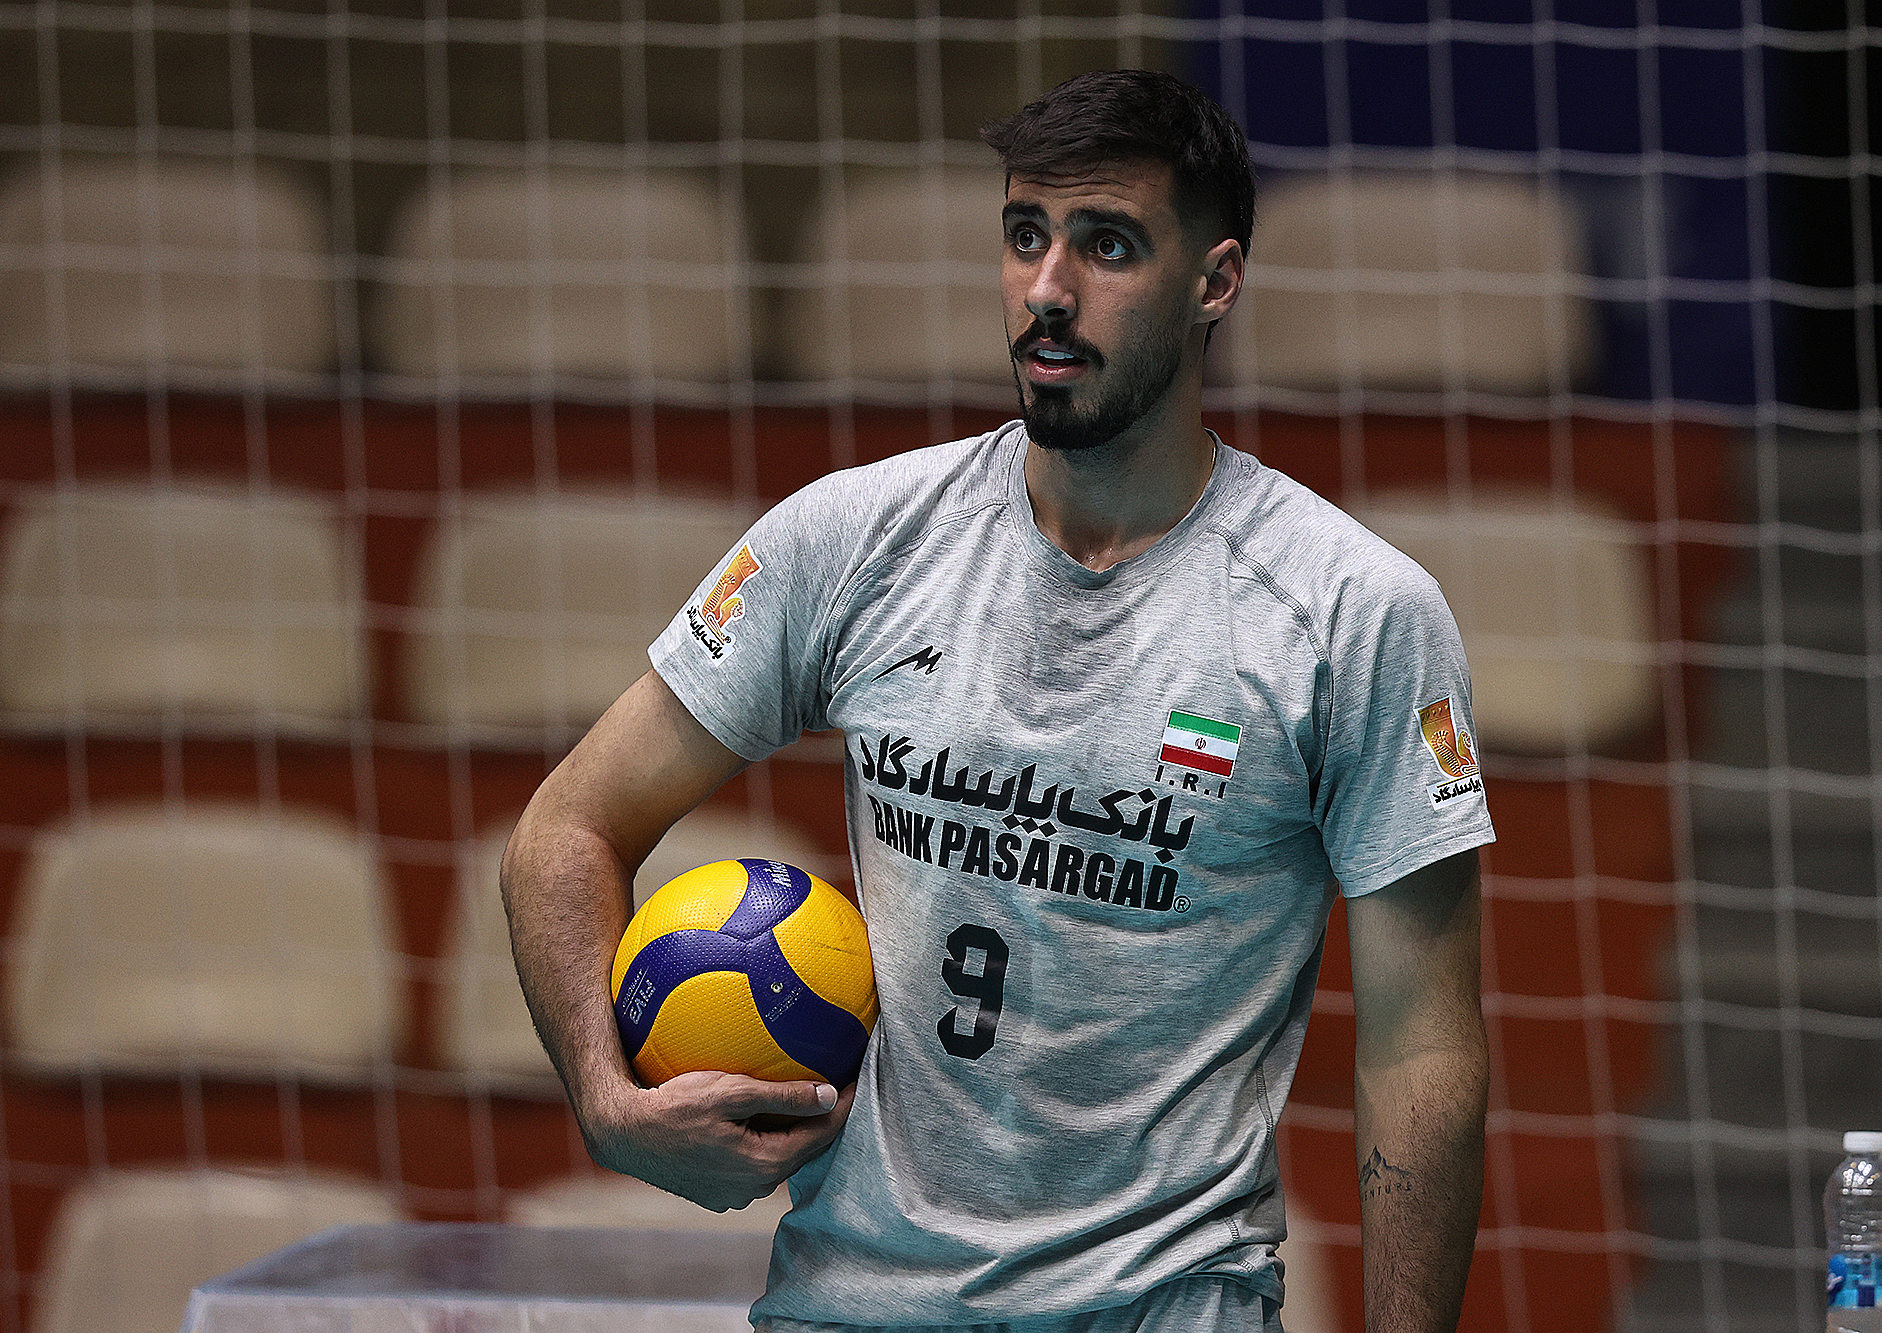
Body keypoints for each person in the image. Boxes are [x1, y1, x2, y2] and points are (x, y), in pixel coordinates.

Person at [502, 68, 1492, 1333]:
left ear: (1215, 282)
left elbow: (1420, 1044)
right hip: (848, 1304)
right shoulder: (854, 539)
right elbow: (565, 828)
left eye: (1107, 245)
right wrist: (605, 1099)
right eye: (1025, 235)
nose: (1047, 290)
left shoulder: (1352, 613)